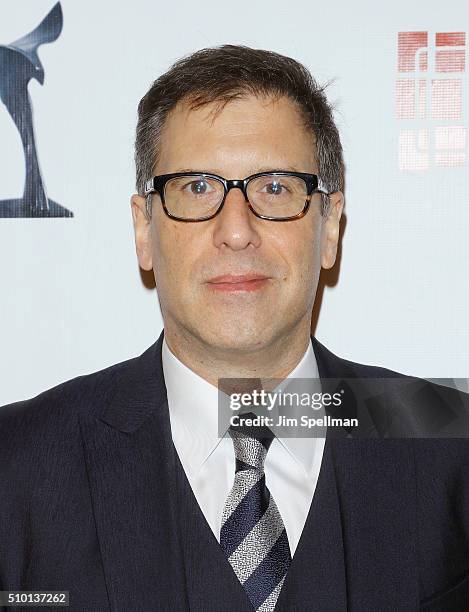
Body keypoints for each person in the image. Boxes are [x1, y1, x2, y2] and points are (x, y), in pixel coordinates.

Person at [0, 45, 468, 612]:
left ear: (331, 226)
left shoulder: (453, 449)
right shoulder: (17, 464)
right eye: (197, 187)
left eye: (275, 188)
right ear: (144, 230)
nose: (237, 230)